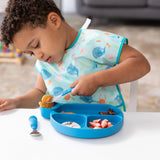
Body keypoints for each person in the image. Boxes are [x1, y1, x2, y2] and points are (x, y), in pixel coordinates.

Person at [0, 0, 150, 112]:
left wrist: (97, 80)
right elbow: (39, 93)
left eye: (36, 45)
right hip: (65, 125)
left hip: (105, 121)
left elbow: (141, 64)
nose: (38, 55)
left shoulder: (95, 41)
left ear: (54, 21)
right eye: (31, 53)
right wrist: (16, 102)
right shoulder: (46, 61)